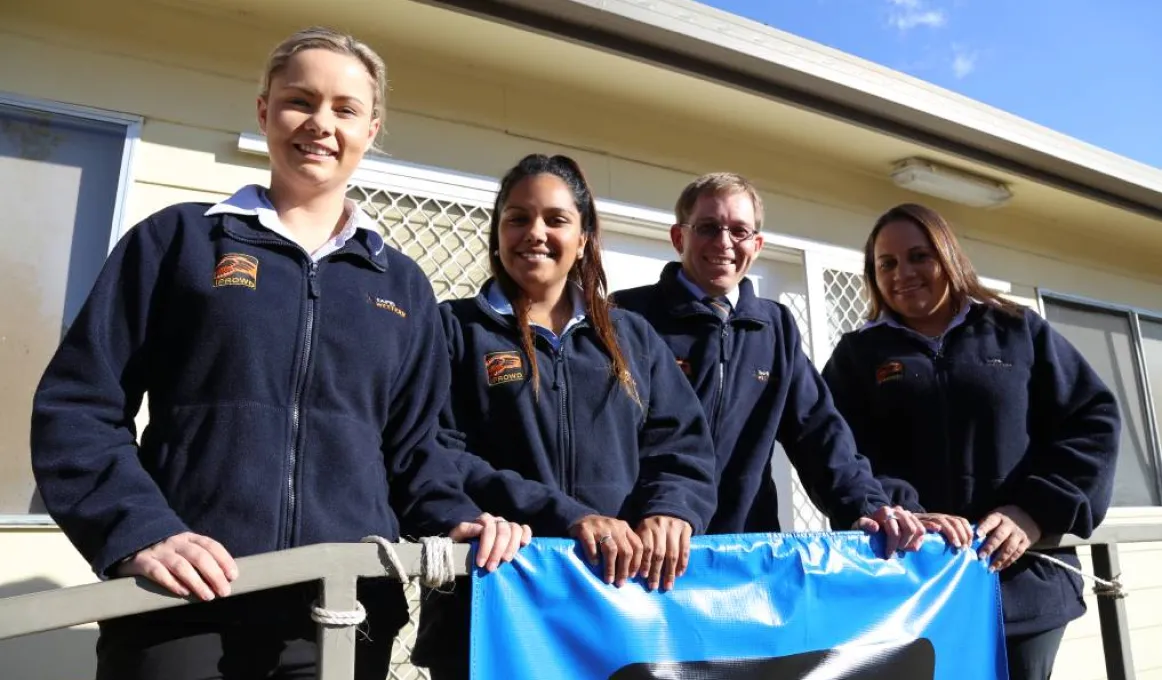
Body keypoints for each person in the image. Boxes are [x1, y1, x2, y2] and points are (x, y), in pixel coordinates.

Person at [30, 26, 533, 680]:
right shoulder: (176, 243)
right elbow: (79, 410)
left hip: (344, 611)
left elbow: (416, 451)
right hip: (182, 607)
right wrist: (140, 531)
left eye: (345, 109)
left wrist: (456, 519)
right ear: (265, 110)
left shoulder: (402, 284)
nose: (321, 123)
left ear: (372, 129)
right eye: (301, 100)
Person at [411, 154, 720, 680]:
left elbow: (682, 448)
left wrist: (672, 510)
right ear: (497, 232)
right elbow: (437, 453)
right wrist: (567, 516)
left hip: (616, 612)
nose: (535, 232)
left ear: (583, 239)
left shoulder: (632, 337)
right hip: (494, 607)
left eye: (555, 219)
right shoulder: (453, 329)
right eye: (517, 217)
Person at [820, 203, 1120, 680]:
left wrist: (1035, 510)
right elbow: (837, 452)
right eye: (887, 263)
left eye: (920, 256)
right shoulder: (858, 356)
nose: (903, 273)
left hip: (1024, 584)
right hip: (914, 588)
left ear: (948, 257)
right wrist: (904, 513)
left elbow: (1092, 419)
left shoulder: (1016, 330)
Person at [612, 172, 925, 545]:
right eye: (708, 228)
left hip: (745, 554)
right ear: (679, 237)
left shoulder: (775, 328)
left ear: (757, 244)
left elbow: (818, 433)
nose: (724, 242)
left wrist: (867, 507)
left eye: (739, 231)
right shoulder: (625, 317)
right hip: (645, 551)